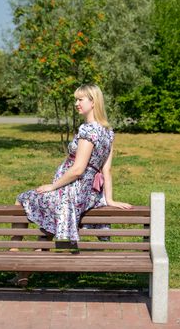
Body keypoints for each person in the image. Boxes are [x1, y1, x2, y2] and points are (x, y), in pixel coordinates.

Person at [12, 83, 131, 285]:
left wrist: (52, 186)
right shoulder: (108, 133)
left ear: (93, 102)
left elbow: (77, 169)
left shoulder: (88, 130)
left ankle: (12, 255)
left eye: (80, 99)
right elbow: (106, 170)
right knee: (48, 228)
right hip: (88, 195)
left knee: (22, 199)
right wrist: (109, 199)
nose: (76, 103)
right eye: (76, 99)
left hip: (71, 193)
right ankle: (23, 274)